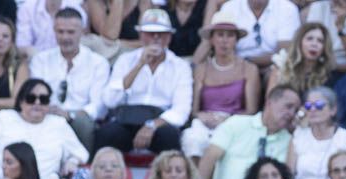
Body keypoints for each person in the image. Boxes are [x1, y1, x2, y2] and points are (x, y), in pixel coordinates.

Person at [97, 9, 193, 154]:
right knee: (107, 134)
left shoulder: (180, 66)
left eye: (161, 34)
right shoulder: (126, 60)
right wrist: (140, 65)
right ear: (141, 36)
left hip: (160, 121)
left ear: (169, 37)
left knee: (169, 137)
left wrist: (152, 125)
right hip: (127, 118)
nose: (156, 38)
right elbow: (110, 100)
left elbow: (181, 110)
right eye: (150, 33)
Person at [197, 85, 300, 179]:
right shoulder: (237, 123)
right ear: (269, 102)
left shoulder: (290, 140)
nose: (291, 113)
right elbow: (210, 157)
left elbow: (288, 177)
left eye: (295, 110)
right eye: (288, 106)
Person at [0, 77, 87, 179]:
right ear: (21, 101)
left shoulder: (58, 123)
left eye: (43, 99)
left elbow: (79, 153)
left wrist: (72, 161)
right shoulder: (4, 117)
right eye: (31, 98)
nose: (37, 103)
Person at [180, 8, 261, 159]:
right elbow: (194, 110)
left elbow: (251, 111)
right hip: (204, 124)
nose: (224, 40)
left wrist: (228, 119)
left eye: (230, 35)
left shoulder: (249, 69)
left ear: (236, 40)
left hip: (235, 123)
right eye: (220, 35)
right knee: (193, 139)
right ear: (211, 39)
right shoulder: (201, 69)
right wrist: (201, 116)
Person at [28, 8, 109, 153]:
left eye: (71, 32)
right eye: (60, 32)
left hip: (79, 119)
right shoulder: (41, 60)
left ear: (83, 32)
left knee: (83, 124)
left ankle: (83, 168)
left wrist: (70, 115)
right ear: (54, 31)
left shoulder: (98, 63)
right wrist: (50, 110)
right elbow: (35, 94)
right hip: (47, 114)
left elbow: (99, 105)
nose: (65, 37)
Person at [287, 86, 346, 179]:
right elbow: (289, 175)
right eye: (308, 106)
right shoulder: (298, 136)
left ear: (333, 110)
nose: (313, 109)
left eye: (319, 105)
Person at [266, 21, 336, 95]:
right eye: (309, 39)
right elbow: (270, 101)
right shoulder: (281, 66)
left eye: (320, 41)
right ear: (299, 42)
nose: (314, 44)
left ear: (324, 47)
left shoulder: (327, 73)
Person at [226, 0, 300, 68]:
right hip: (237, 65)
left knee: (278, 73)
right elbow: (224, 47)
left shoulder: (287, 8)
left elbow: (284, 52)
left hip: (274, 66)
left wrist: (250, 62)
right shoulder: (230, 7)